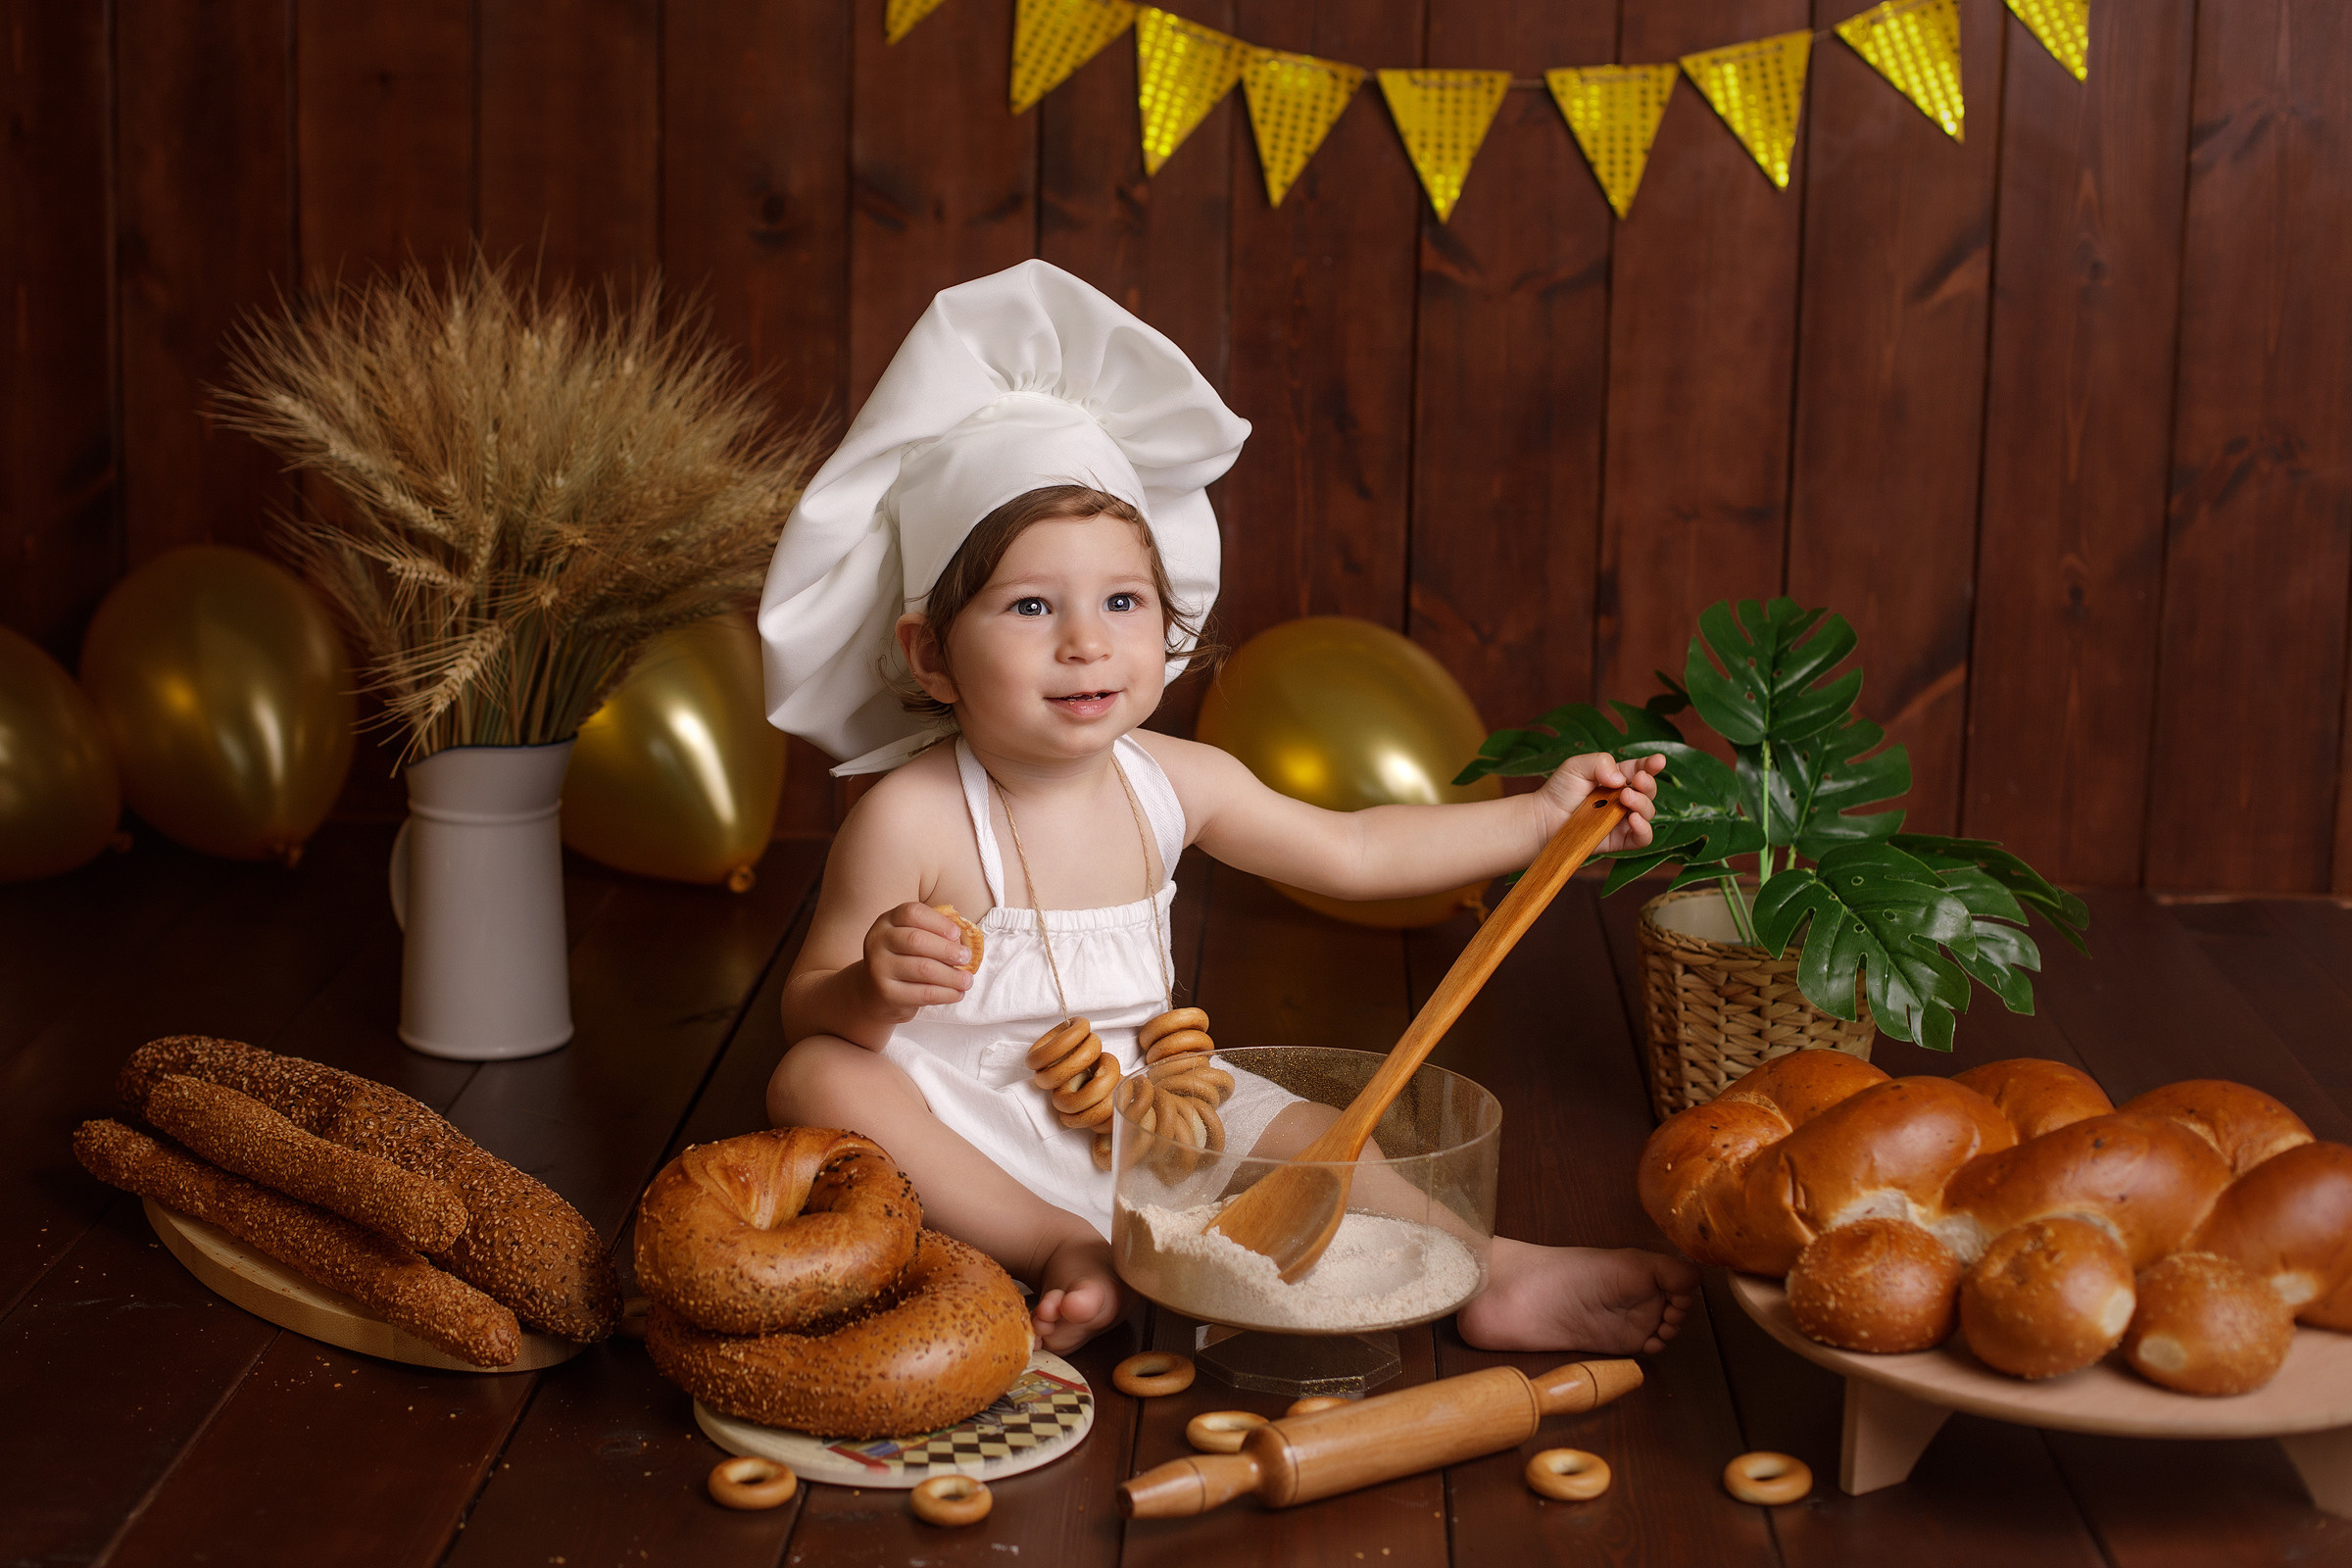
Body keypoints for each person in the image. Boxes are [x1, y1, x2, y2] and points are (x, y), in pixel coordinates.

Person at [759, 260, 1696, 1354]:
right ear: (931, 657)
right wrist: (872, 985)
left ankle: (1484, 1266)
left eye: (1122, 600)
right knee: (813, 1076)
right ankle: (1059, 1241)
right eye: (1028, 605)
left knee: (1310, 1127)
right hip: (966, 1123)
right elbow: (811, 1005)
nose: (1085, 640)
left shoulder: (1170, 775)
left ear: (1167, 622)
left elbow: (1353, 848)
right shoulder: (913, 818)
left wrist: (1536, 822)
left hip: (1158, 1099)